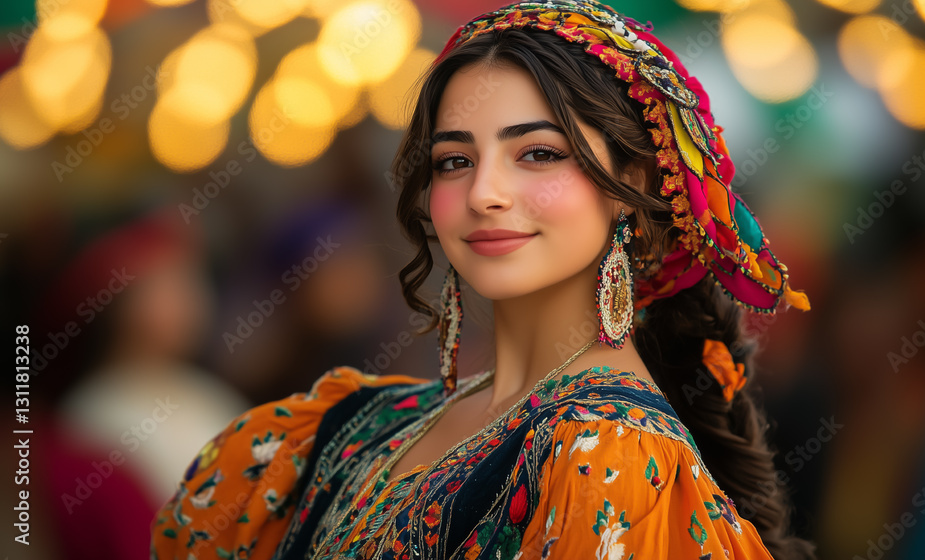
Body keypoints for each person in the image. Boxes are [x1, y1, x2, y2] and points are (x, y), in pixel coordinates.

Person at [149, 1, 815, 558]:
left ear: (629, 186)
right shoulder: (351, 424)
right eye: (454, 160)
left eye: (538, 153)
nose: (484, 192)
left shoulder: (615, 459)